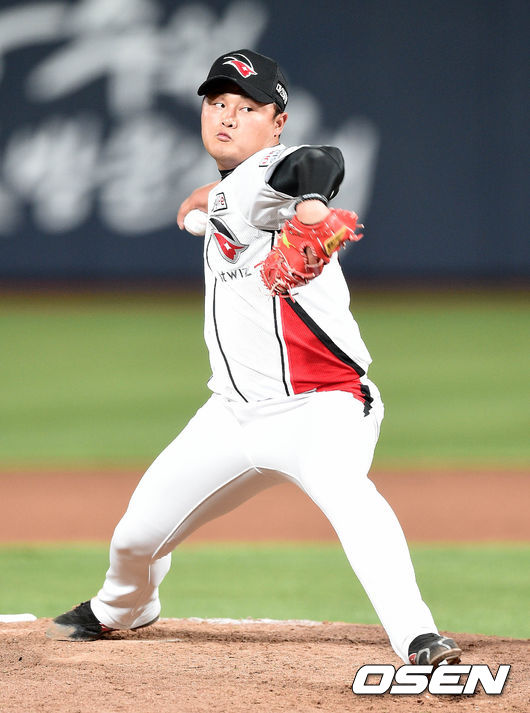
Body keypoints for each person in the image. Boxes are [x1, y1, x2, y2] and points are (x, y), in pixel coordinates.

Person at [47, 49, 461, 667]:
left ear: (277, 122)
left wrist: (313, 208)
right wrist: (205, 199)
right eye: (217, 103)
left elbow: (317, 161)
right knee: (135, 537)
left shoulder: (270, 171)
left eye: (247, 108)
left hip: (319, 407)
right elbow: (230, 199)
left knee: (351, 501)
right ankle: (123, 607)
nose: (226, 116)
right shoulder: (234, 188)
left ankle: (418, 636)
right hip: (231, 415)